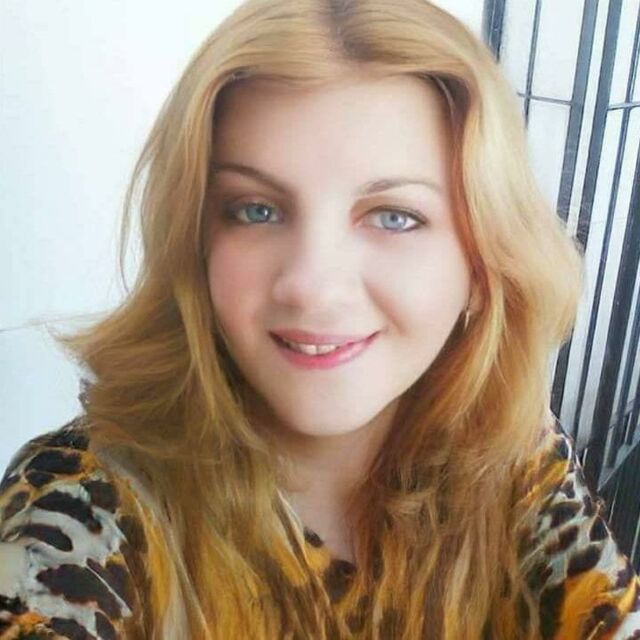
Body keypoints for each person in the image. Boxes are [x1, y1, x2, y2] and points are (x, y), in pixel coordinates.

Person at [1, 0, 639, 638]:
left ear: (483, 263)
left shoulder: (510, 444)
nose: (311, 287)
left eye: (394, 216)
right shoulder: (77, 504)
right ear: (195, 244)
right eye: (256, 210)